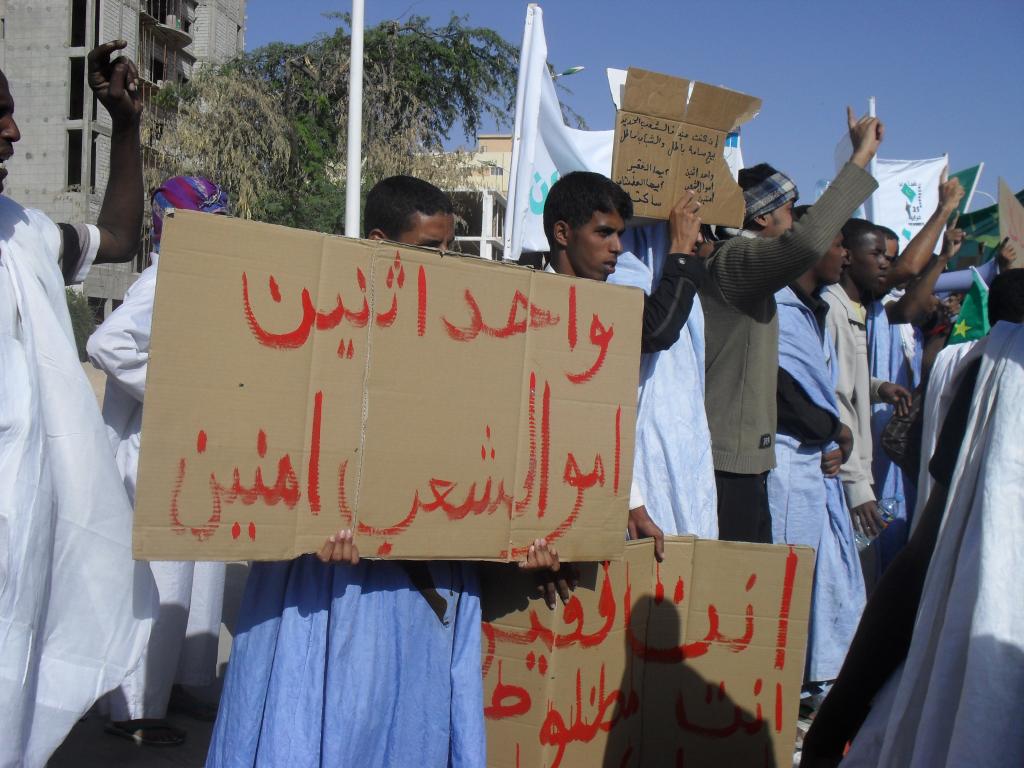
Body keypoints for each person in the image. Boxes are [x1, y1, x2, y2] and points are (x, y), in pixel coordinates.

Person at [207, 175, 562, 767]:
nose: (445, 267)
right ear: (379, 242)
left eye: (451, 252)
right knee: (328, 724)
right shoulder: (321, 330)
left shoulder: (467, 343)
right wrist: (313, 523)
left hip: (422, 585)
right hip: (327, 586)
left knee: (409, 726)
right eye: (430, 251)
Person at [0, 41, 158, 766]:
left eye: (12, 113)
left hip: (24, 527)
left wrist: (123, 126)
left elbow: (120, 239)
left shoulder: (24, 234)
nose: (14, 133)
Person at [800, 318, 1024, 768]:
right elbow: (926, 557)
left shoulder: (999, 374)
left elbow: (922, 559)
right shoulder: (998, 376)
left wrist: (834, 725)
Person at [88, 176, 230, 746]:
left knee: (200, 577)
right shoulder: (163, 278)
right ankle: (134, 709)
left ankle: (182, 684)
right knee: (162, 581)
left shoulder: (205, 280)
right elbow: (104, 344)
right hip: (157, 452)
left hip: (196, 450)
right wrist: (173, 391)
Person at [699, 108, 881, 543]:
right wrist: (859, 158)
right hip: (732, 465)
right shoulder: (736, 260)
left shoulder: (742, 266)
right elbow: (808, 243)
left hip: (747, 462)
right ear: (761, 218)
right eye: (788, 209)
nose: (796, 219)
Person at [542, 171, 712, 549]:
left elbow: (600, 422)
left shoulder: (605, 309)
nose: (617, 247)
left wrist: (632, 504)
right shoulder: (536, 306)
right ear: (563, 234)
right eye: (604, 233)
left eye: (621, 234)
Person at [768, 206, 864, 705]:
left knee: (820, 580)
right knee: (789, 584)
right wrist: (833, 429)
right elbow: (781, 391)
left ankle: (812, 684)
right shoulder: (779, 306)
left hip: (817, 464)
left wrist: (835, 433)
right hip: (788, 463)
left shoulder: (820, 306)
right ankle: (785, 690)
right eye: (839, 243)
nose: (845, 255)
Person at [822, 220, 911, 555]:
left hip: (854, 470)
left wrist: (878, 388)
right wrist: (857, 486)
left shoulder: (851, 309)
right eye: (875, 253)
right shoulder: (831, 309)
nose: (885, 262)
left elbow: (845, 378)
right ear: (849, 257)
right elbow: (836, 396)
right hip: (843, 473)